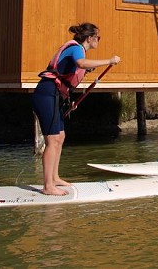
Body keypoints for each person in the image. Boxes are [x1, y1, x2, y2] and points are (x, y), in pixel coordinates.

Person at [32, 23, 121, 196]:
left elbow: (66, 80)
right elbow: (81, 63)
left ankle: (55, 177)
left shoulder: (79, 50)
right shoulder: (76, 49)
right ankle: (47, 186)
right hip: (46, 94)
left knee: (60, 137)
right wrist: (109, 61)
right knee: (52, 140)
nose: (98, 41)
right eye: (98, 37)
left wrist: (69, 102)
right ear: (90, 38)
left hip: (56, 96)